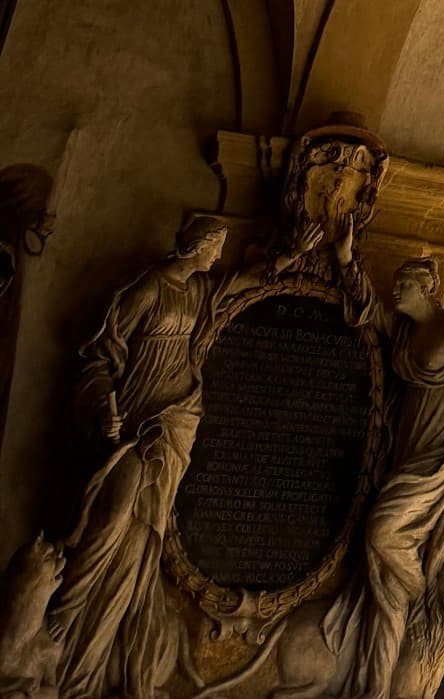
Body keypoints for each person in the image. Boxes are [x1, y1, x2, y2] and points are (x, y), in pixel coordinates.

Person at [45, 216, 228, 697]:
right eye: (215, 247)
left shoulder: (200, 290)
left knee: (142, 541)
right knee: (109, 522)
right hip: (130, 428)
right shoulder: (149, 288)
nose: (218, 256)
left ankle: (102, 654)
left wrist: (288, 258)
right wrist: (100, 409)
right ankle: (64, 624)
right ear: (197, 246)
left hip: (171, 429)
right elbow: (100, 358)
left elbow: (241, 286)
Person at [328, 259, 444, 698]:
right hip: (408, 448)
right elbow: (370, 308)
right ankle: (384, 656)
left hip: (439, 458)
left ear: (426, 289)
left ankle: (421, 595)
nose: (396, 290)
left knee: (382, 531)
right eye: (396, 282)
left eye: (404, 284)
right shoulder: (405, 331)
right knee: (386, 551)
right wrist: (345, 260)